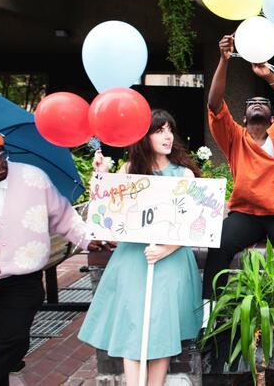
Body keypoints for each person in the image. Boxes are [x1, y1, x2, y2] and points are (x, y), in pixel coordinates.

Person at [203, 35, 274, 357]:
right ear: (242, 118)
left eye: (263, 104)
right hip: (246, 213)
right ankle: (207, 321)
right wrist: (224, 60)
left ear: (272, 117)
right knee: (218, 247)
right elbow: (214, 104)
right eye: (250, 104)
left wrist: (269, 77)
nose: (257, 104)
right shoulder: (234, 137)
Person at [79, 109, 204, 386]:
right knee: (133, 327)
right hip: (133, 259)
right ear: (143, 136)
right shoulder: (128, 171)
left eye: (170, 129)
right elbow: (108, 214)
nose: (167, 136)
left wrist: (165, 249)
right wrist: (101, 178)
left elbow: (194, 222)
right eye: (159, 130)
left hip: (170, 259)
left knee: (161, 327)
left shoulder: (184, 174)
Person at [0, 120, 106, 386]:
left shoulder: (31, 177)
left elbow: (63, 215)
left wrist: (86, 238)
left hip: (22, 277)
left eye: (1, 154)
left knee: (13, 339)